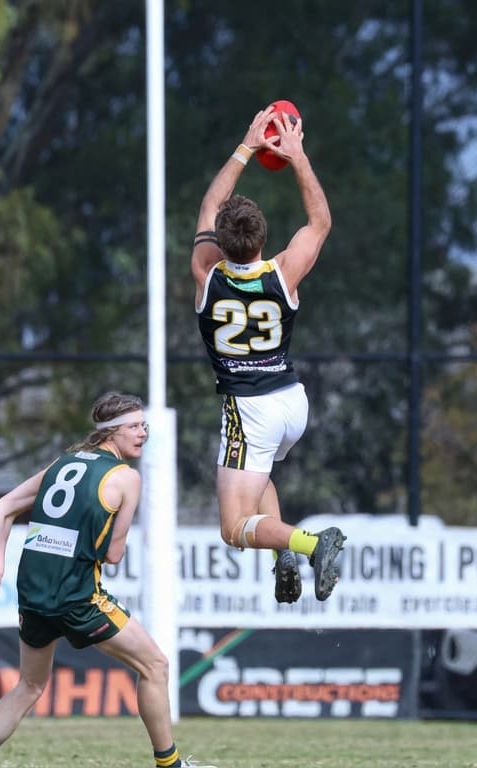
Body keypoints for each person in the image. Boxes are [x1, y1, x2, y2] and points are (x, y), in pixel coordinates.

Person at [0, 393, 215, 768]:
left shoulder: (61, 463)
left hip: (32, 593)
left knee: (29, 685)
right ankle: (171, 765)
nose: (143, 433)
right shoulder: (126, 478)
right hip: (77, 597)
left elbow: (0, 509)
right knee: (155, 666)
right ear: (110, 433)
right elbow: (112, 555)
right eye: (134, 426)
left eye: (144, 425)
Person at [190, 104, 346, 605]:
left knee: (234, 529)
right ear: (261, 238)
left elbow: (211, 202)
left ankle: (309, 543)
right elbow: (320, 221)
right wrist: (296, 156)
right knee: (260, 481)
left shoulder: (207, 273)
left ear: (220, 239)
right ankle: (282, 553)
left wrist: (245, 147)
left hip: (248, 410)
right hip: (291, 403)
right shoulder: (283, 273)